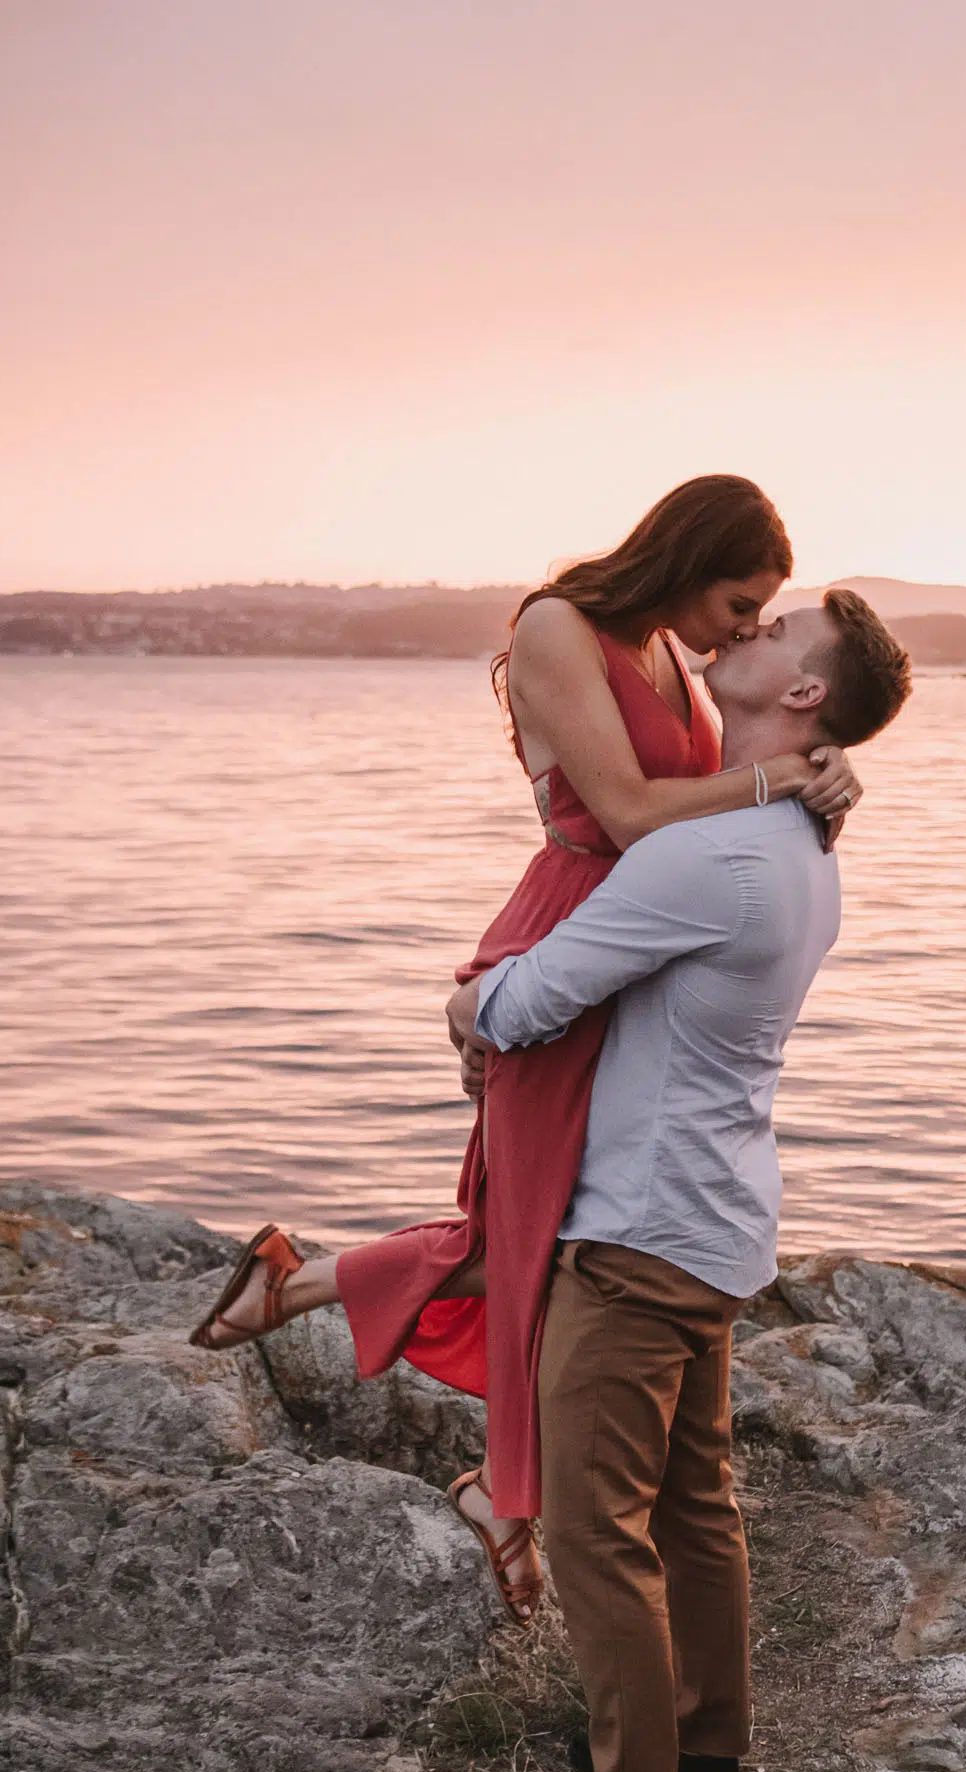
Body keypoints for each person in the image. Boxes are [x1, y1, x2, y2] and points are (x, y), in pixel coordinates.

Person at [188, 476, 862, 1624]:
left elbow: (710, 803)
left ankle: (311, 1301)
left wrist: (825, 777)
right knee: (541, 1228)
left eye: (766, 614)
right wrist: (776, 779)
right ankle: (495, 1483)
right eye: (741, 599)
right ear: (689, 558)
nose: (746, 626)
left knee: (555, 1230)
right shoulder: (560, 628)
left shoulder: (665, 654)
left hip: (638, 947)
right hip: (572, 941)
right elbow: (634, 810)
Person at [442, 592, 912, 1772]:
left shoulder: (705, 855)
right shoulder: (798, 841)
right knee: (694, 1506)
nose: (746, 633)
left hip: (637, 1230)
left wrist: (462, 998)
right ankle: (704, 1753)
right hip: (716, 1219)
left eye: (778, 629)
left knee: (599, 1536)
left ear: (803, 696)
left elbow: (530, 1002)